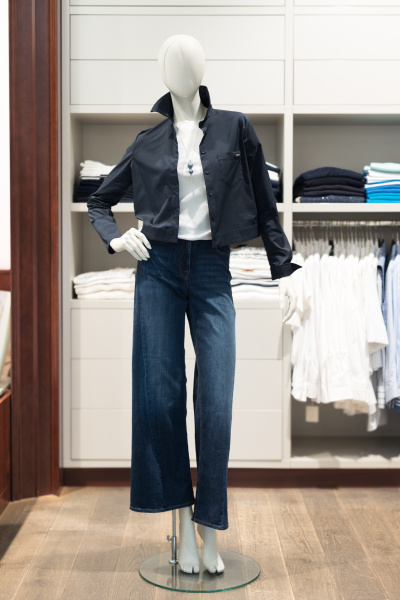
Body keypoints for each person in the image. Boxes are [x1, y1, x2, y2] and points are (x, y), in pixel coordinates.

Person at [87, 34, 301, 575]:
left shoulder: (235, 127)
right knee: (160, 399)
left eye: (189, 59)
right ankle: (181, 523)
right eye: (171, 61)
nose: (182, 67)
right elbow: (99, 201)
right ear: (162, 73)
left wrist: (283, 266)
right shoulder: (146, 141)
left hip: (211, 269)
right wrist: (116, 238)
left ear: (203, 69)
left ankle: (210, 529)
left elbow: (264, 201)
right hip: (157, 269)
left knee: (216, 402)